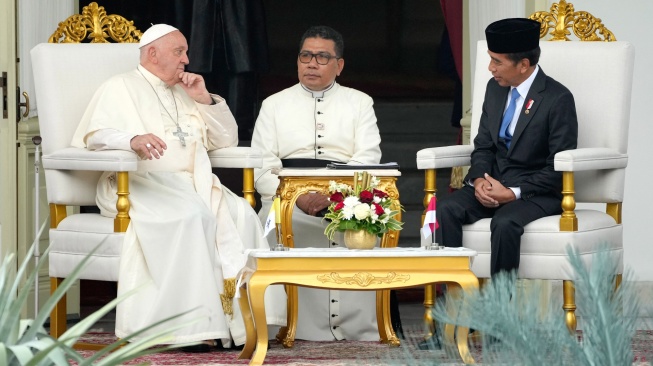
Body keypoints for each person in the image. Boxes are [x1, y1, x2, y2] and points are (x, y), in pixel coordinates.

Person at [70, 24, 286, 351]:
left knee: (241, 213)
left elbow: (225, 139)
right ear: (152, 53)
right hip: (138, 184)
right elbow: (96, 135)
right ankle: (186, 329)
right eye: (179, 52)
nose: (187, 60)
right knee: (190, 217)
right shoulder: (121, 87)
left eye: (185, 52)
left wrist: (203, 98)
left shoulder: (185, 91)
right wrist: (131, 139)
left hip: (192, 183)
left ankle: (239, 324)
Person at [251, 25, 383, 341]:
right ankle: (287, 325)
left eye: (322, 57)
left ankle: (354, 327)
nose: (312, 63)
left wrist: (334, 195)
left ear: (339, 65)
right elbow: (262, 169)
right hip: (286, 198)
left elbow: (368, 157)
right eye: (306, 55)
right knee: (270, 227)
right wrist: (297, 196)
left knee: (362, 226)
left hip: (346, 196)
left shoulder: (359, 102)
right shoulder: (273, 104)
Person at [436, 18, 578, 275]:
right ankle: (455, 302)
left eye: (497, 61)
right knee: (446, 209)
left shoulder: (558, 99)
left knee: (504, 222)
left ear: (524, 64)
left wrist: (513, 192)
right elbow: (483, 146)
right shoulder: (495, 89)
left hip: (536, 192)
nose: (490, 68)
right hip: (493, 183)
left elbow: (557, 168)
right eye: (490, 59)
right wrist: (479, 180)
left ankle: (500, 311)